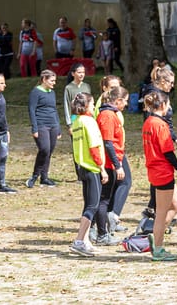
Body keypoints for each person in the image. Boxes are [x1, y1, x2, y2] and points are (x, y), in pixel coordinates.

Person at [142, 90, 177, 261]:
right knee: (161, 212)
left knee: (176, 205)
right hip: (162, 171)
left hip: (154, 170)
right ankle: (158, 248)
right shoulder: (160, 125)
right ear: (163, 105)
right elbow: (167, 151)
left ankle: (155, 237)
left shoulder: (148, 122)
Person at [69, 92, 107, 257]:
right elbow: (93, 147)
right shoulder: (88, 122)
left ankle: (85, 240)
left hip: (81, 167)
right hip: (91, 168)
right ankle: (78, 241)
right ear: (85, 106)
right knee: (93, 205)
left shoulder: (76, 121)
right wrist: (102, 168)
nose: (94, 107)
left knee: (88, 204)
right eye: (92, 104)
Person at [94, 85, 128, 246]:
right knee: (104, 199)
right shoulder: (107, 115)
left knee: (105, 198)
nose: (126, 105)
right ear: (118, 100)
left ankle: (102, 231)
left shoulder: (111, 114)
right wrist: (117, 164)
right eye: (125, 101)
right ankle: (101, 234)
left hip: (111, 161)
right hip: (107, 163)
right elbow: (108, 142)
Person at [26, 69, 61, 188]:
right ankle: (35, 175)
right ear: (44, 80)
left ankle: (44, 177)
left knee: (49, 152)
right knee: (44, 149)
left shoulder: (52, 92)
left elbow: (54, 109)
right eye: (52, 80)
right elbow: (31, 110)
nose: (54, 83)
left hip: (53, 125)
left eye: (54, 81)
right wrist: (34, 128)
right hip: (42, 125)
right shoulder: (35, 92)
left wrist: (59, 127)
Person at [0, 72, 17, 193]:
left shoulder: (1, 96)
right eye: (1, 83)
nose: (4, 85)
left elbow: (2, 115)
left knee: (3, 159)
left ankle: (2, 184)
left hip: (3, 132)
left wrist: (6, 130)